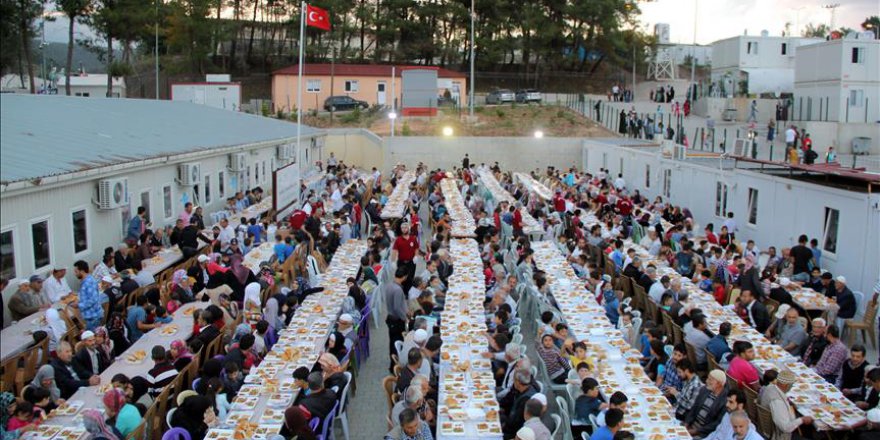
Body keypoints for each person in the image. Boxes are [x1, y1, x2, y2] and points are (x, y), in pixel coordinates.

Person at [759, 370, 813, 440]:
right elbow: (785, 428)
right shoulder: (777, 402)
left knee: (805, 425)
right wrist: (802, 420)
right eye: (791, 385)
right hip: (779, 435)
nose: (791, 387)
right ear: (786, 385)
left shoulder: (770, 387)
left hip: (770, 426)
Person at [685, 370, 729, 437]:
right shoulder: (704, 390)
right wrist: (686, 423)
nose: (706, 381)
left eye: (710, 380)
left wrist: (697, 431)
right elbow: (694, 408)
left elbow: (717, 423)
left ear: (719, 384)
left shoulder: (725, 400)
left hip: (704, 433)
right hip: (691, 426)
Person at [385, 267, 410, 371]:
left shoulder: (389, 286)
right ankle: (394, 366)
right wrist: (405, 318)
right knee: (396, 343)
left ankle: (393, 364)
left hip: (390, 318)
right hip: (396, 320)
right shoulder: (398, 290)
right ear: (404, 277)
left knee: (392, 342)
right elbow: (397, 307)